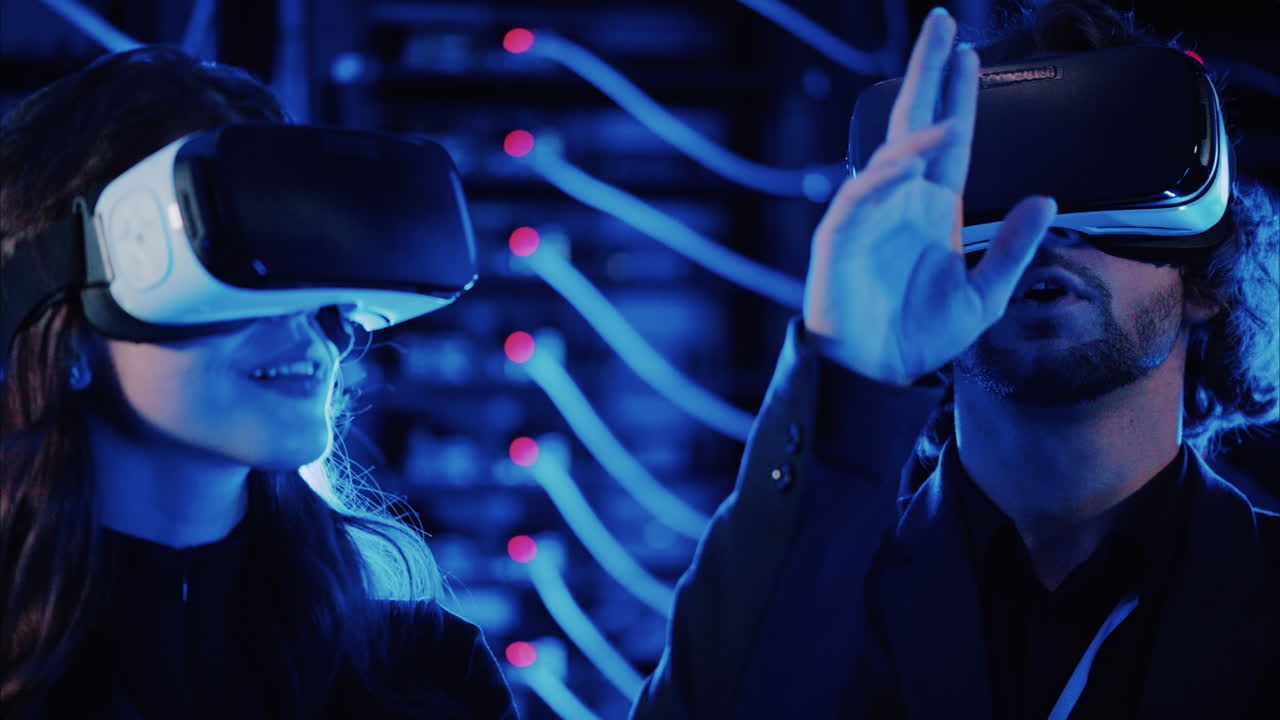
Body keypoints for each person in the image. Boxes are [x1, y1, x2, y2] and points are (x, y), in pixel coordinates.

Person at [632, 2, 1279, 718]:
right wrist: (851, 373)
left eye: (1104, 168)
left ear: (1205, 283)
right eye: (993, 183)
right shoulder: (810, 594)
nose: (1043, 228)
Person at [0, 48, 516, 719]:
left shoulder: (430, 676)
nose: (307, 325)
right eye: (238, 261)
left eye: (316, 269)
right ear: (66, 323)